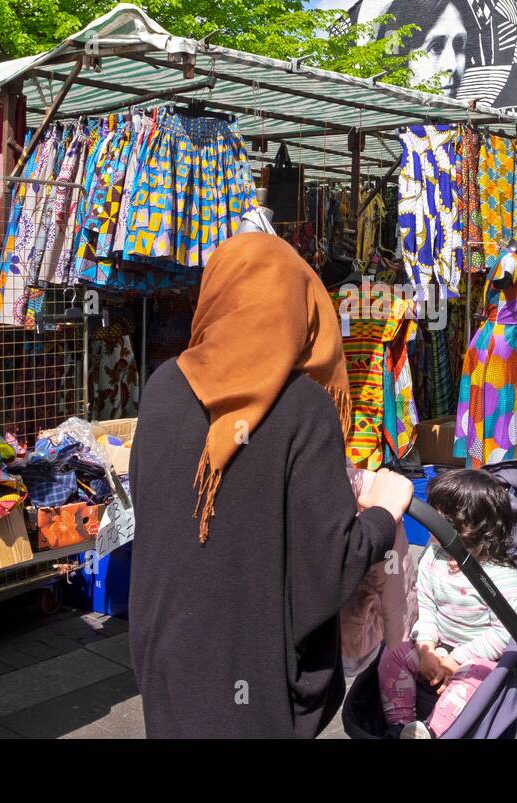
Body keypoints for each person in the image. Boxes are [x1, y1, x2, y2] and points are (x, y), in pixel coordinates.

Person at [128, 232, 412, 738]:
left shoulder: (164, 386)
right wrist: (383, 514)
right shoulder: (304, 407)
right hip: (251, 680)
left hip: (164, 657)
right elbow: (327, 564)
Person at [378, 468, 517, 739]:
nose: (433, 524)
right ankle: (400, 725)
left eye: (444, 519)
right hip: (436, 644)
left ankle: (433, 731)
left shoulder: (502, 576)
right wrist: (426, 648)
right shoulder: (434, 556)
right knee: (393, 653)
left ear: (477, 526)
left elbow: (504, 633)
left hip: (476, 656)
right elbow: (426, 604)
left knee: (472, 685)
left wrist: (455, 659)